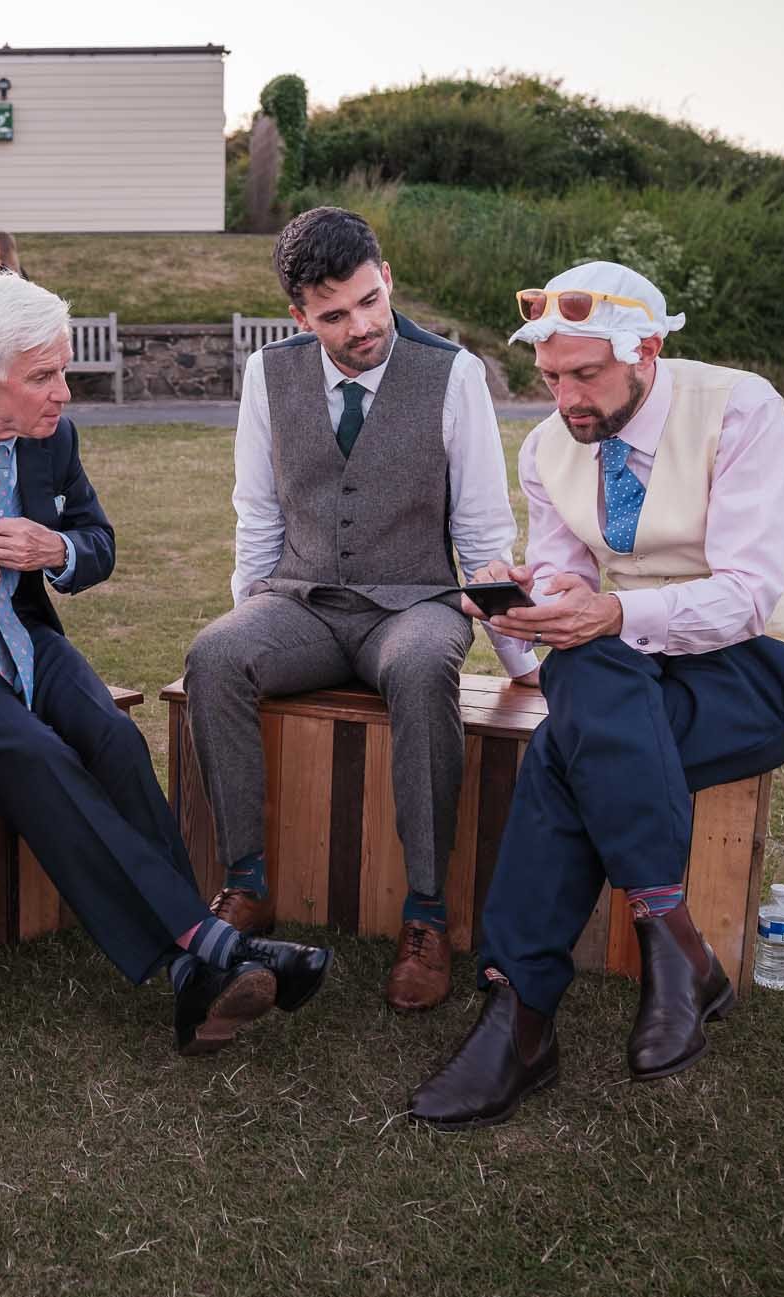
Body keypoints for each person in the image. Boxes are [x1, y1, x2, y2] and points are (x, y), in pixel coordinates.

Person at [0, 273, 332, 1057]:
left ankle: (195, 965)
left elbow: (98, 542)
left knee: (110, 734)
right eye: (43, 376)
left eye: (63, 370)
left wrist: (57, 548)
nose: (62, 393)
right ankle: (205, 949)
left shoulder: (52, 438)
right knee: (36, 754)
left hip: (15, 629)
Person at [408, 261, 784, 1131]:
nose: (565, 397)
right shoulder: (546, 448)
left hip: (763, 666)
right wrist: (531, 598)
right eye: (551, 376)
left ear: (646, 348)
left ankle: (520, 1015)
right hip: (636, 670)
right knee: (586, 676)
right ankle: (673, 941)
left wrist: (609, 613)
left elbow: (750, 594)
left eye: (585, 374)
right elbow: (572, 589)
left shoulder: (740, 409)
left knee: (570, 742)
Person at [183, 206, 538, 1012]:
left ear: (388, 282)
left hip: (417, 604)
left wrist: (525, 666)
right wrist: (249, 622)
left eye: (371, 301)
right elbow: (258, 514)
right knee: (212, 653)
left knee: (419, 668)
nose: (362, 326)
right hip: (301, 601)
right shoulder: (267, 375)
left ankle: (426, 914)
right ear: (300, 315)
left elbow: (483, 530)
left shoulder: (453, 374)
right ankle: (245, 883)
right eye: (335, 315)